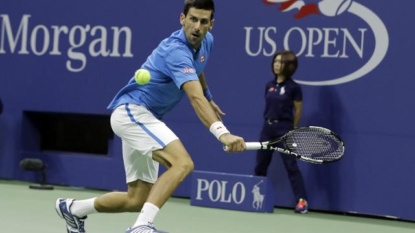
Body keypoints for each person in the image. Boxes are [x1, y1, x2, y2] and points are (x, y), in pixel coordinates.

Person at [55, 0, 246, 232]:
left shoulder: (207, 42)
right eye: (193, 19)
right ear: (182, 19)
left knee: (137, 199)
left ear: (211, 24)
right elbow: (194, 98)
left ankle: (73, 209)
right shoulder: (176, 50)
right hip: (132, 113)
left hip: (145, 118)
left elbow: (198, 68)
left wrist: (208, 95)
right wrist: (222, 133)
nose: (197, 26)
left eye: (203, 21)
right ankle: (142, 227)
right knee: (182, 163)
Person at [254, 50, 309, 214]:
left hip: (285, 129)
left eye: (281, 62)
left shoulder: (294, 88)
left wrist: (292, 130)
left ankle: (302, 201)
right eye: (275, 61)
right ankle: (256, 199)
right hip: (267, 130)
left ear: (289, 66)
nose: (277, 64)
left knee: (291, 166)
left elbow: (298, 111)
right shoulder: (269, 85)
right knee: (260, 166)